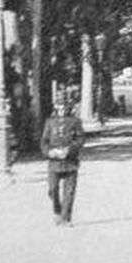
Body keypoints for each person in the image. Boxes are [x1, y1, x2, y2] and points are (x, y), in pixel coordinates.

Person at [39, 94, 85, 226]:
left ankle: (66, 218)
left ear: (68, 107)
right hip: (54, 161)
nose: (62, 109)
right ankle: (57, 211)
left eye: (64, 106)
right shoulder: (50, 122)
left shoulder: (75, 121)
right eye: (59, 106)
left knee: (69, 191)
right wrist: (49, 152)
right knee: (52, 189)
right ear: (55, 107)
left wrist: (69, 150)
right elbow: (44, 141)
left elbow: (80, 139)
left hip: (70, 161)